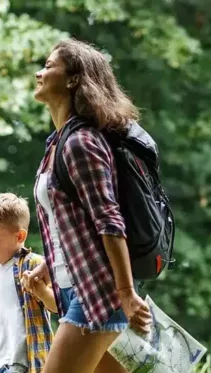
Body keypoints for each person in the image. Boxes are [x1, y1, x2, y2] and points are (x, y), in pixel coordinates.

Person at [20, 38, 153, 373]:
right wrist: (49, 267)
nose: (39, 73)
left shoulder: (81, 142)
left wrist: (124, 292)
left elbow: (109, 220)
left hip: (97, 296)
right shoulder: (58, 142)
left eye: (49, 66)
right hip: (73, 290)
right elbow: (75, 227)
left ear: (73, 79)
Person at [0, 193, 56, 373]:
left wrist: (41, 291)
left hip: (24, 364)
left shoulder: (34, 265)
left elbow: (59, 306)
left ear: (20, 236)